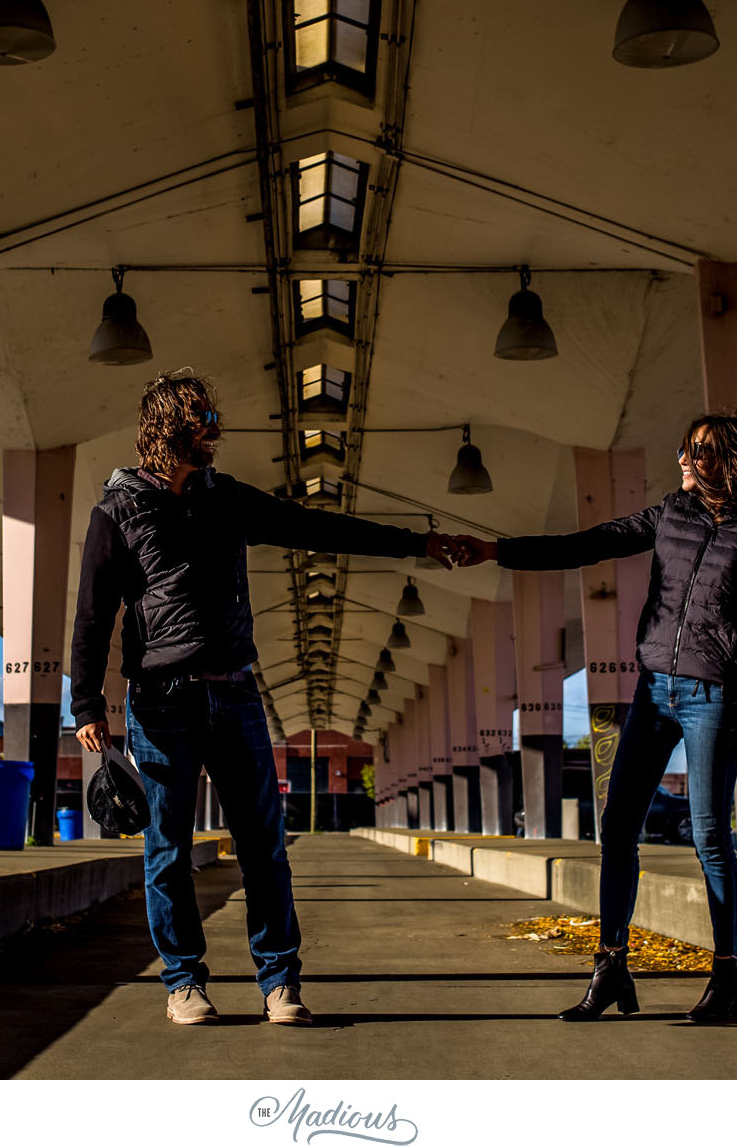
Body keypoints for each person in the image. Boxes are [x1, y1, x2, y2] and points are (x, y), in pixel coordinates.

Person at [69, 370, 467, 1027]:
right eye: (204, 421)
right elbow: (93, 615)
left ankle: (280, 981)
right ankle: (183, 983)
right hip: (162, 701)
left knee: (264, 845)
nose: (216, 433)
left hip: (236, 693)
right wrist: (86, 704)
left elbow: (315, 526)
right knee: (167, 846)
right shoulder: (117, 512)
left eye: (215, 419)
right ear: (168, 428)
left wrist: (418, 543)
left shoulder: (226, 498)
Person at [457, 392, 737, 1022]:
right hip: (653, 690)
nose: (683, 459)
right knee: (615, 827)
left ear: (728, 460)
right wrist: (494, 551)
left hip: (714, 696)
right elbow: (586, 543)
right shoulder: (672, 513)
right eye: (684, 448)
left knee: (709, 836)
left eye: (696, 451)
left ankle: (726, 980)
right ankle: (609, 969)